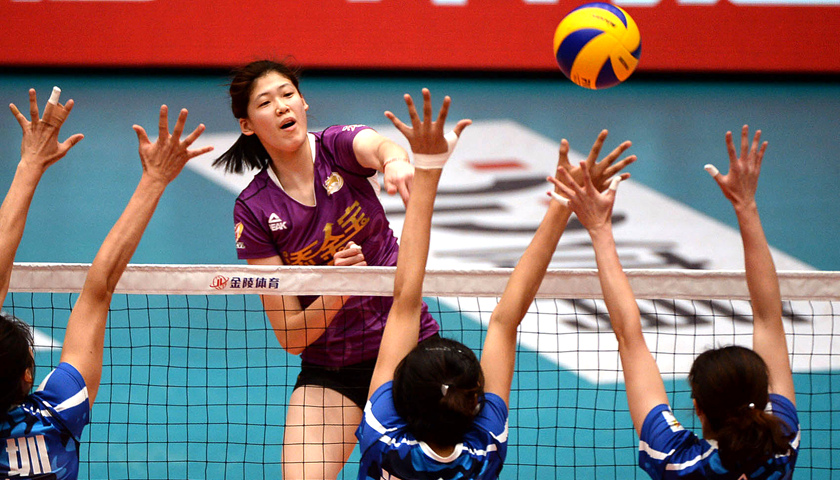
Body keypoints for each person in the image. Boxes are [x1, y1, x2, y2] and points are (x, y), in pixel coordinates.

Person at [356, 89, 635, 479]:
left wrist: (429, 166)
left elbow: (405, 303)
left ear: (401, 401)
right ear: (474, 403)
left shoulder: (384, 438)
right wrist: (562, 203)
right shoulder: (482, 450)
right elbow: (503, 321)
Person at [212, 59, 443, 479]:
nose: (281, 106)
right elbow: (291, 335)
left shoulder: (337, 147)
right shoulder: (255, 209)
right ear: (247, 125)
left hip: (409, 348)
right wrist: (337, 289)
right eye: (265, 102)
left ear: (303, 103)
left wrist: (394, 161)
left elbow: (378, 146)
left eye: (288, 94)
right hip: (333, 370)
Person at [550, 125, 799, 479]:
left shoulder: (677, 461)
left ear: (698, 408)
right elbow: (769, 318)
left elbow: (630, 338)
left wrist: (599, 228)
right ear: (762, 401)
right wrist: (746, 204)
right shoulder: (781, 447)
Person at [0, 88, 213, 480]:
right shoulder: (58, 414)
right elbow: (98, 291)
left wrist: (28, 164)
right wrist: (155, 180)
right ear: (27, 375)